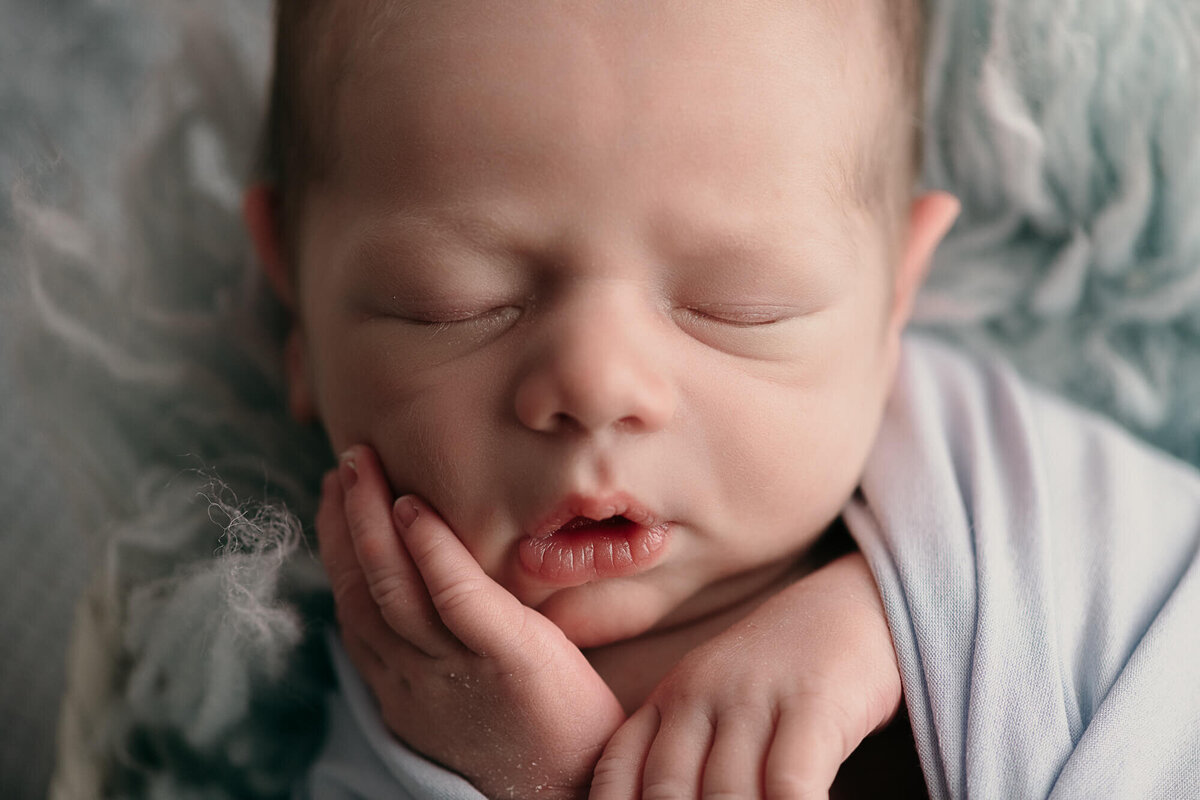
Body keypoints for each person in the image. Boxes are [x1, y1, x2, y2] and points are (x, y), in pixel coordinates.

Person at [241, 1, 1200, 799]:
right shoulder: (397, 705)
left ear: (892, 299)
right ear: (298, 306)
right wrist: (548, 776)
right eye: (454, 302)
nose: (597, 386)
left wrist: (888, 626)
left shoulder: (1001, 489)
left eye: (739, 305)